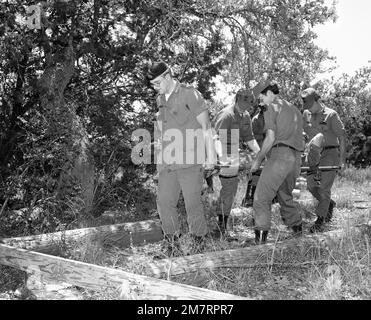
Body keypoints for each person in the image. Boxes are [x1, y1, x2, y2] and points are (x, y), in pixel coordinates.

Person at [147, 61, 216, 256]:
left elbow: (206, 127)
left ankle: (198, 244)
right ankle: (172, 245)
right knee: (164, 202)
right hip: (168, 161)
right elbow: (161, 130)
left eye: (157, 82)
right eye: (153, 84)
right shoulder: (160, 99)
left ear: (168, 77)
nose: (155, 87)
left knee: (192, 203)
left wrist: (210, 156)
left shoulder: (190, 94)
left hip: (190, 159)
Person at [250, 80, 304, 244]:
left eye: (260, 98)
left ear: (267, 93)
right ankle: (298, 234)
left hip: (280, 156)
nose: (260, 102)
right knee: (285, 196)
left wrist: (257, 161)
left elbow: (270, 138)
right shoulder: (294, 109)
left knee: (260, 199)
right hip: (296, 159)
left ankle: (260, 247)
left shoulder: (271, 106)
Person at [213, 88, 260, 237]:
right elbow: (215, 138)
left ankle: (221, 225)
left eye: (250, 102)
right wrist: (220, 156)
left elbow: (249, 139)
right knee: (229, 189)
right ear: (238, 99)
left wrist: (260, 154)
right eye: (246, 101)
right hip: (218, 151)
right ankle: (220, 228)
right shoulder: (227, 115)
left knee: (230, 189)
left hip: (232, 153)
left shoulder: (245, 116)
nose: (249, 105)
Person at [301, 88, 346, 233]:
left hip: (330, 153)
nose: (308, 108)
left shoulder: (331, 114)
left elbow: (342, 137)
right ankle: (329, 204)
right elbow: (302, 133)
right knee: (311, 185)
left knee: (324, 188)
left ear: (318, 100)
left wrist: (342, 160)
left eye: (310, 104)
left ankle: (320, 220)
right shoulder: (306, 114)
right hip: (313, 153)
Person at [242, 103, 266, 207]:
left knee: (263, 176)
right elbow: (252, 137)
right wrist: (265, 135)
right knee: (255, 175)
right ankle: (249, 198)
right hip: (257, 151)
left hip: (266, 151)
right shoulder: (256, 119)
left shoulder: (268, 118)